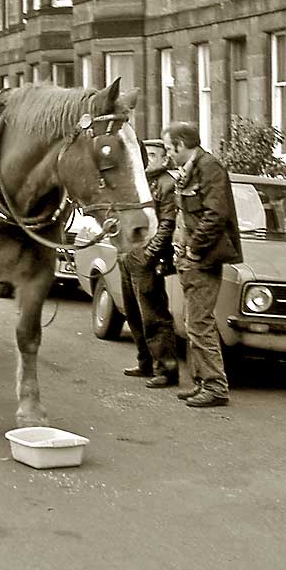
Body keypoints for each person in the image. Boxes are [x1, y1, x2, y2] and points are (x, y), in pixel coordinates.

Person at [161, 122, 242, 408]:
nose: (169, 155)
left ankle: (216, 386)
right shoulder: (192, 168)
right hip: (187, 258)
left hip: (202, 259)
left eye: (170, 148)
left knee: (199, 324)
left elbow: (215, 214)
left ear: (182, 145)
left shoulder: (210, 168)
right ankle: (201, 382)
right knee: (192, 322)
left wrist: (194, 249)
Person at [120, 139, 179, 388]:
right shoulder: (137, 182)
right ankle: (145, 362)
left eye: (154, 155)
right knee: (132, 312)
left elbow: (167, 224)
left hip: (148, 257)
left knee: (154, 314)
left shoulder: (167, 184)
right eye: (146, 154)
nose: (148, 159)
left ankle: (165, 369)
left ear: (165, 158)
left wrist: (150, 253)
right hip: (128, 254)